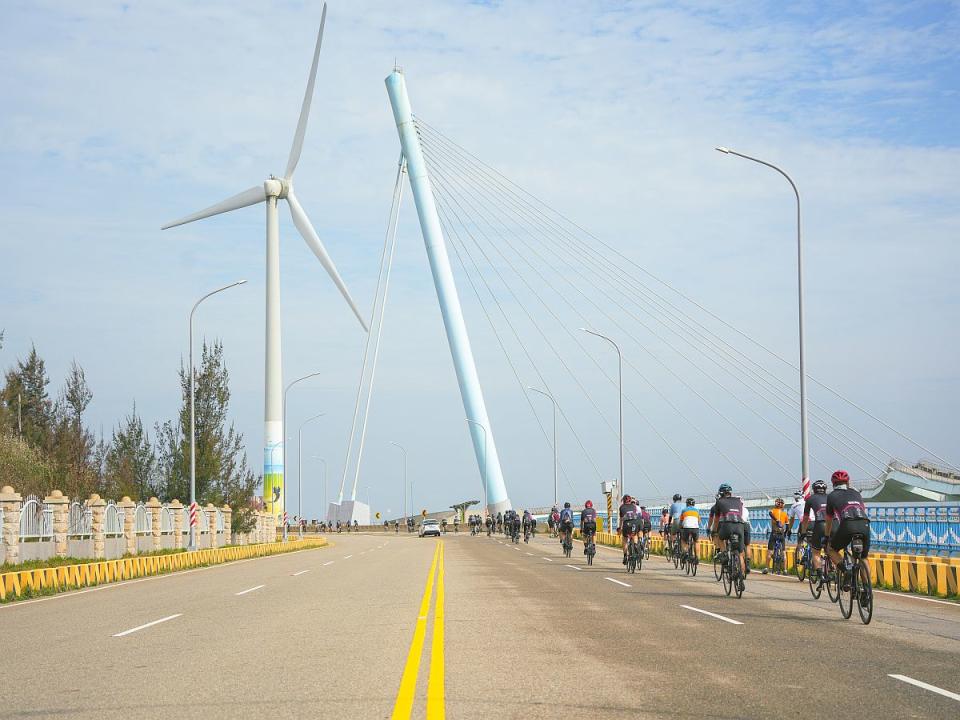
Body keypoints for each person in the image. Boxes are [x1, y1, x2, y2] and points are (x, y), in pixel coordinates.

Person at [824, 470, 871, 575]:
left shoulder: (831, 496)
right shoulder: (856, 493)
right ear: (848, 482)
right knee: (863, 557)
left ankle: (846, 571)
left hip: (847, 524)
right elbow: (863, 509)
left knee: (831, 549)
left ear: (833, 484)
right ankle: (867, 589)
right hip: (864, 523)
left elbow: (829, 519)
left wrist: (827, 536)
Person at [709, 484, 747, 579]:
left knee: (720, 538)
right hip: (740, 525)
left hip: (727, 524)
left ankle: (724, 554)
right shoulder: (738, 500)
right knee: (740, 553)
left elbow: (716, 519)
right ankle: (742, 575)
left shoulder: (719, 502)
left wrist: (713, 531)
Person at [799, 480, 829, 578]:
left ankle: (820, 575)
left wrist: (803, 532)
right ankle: (837, 570)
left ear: (814, 489)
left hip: (819, 524)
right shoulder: (830, 497)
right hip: (834, 524)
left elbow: (806, 518)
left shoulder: (810, 499)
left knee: (815, 551)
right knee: (832, 549)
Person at [764, 498, 789, 574]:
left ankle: (766, 568)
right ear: (783, 506)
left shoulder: (773, 510)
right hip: (781, 534)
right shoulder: (785, 514)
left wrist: (776, 520)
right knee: (784, 552)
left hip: (774, 533)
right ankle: (785, 570)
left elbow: (770, 513)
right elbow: (787, 525)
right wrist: (785, 533)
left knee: (769, 552)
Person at [619, 494, 640, 564]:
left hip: (626, 524)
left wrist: (620, 528)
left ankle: (625, 556)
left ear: (623, 501)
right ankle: (636, 545)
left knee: (624, 539)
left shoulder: (621, 507)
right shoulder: (634, 506)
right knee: (634, 535)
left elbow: (621, 519)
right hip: (635, 522)